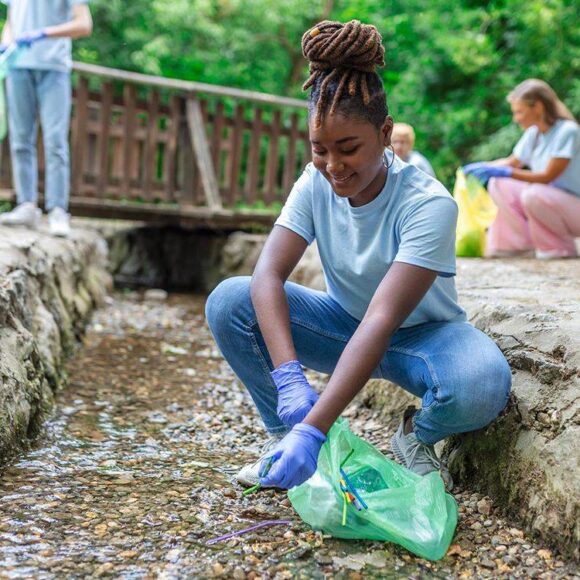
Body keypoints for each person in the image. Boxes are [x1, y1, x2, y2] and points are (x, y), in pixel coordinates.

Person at [206, 20, 511, 492]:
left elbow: (384, 318)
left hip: (423, 338)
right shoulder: (315, 182)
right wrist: (289, 379)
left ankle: (414, 437)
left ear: (385, 132)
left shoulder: (428, 205)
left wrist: (317, 427)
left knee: (482, 383)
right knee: (231, 300)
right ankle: (283, 437)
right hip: (342, 323)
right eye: (320, 150)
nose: (333, 166)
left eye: (348, 149)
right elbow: (267, 273)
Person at [0, 0, 93, 237]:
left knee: (55, 140)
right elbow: (12, 19)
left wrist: (44, 34)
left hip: (54, 67)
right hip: (18, 66)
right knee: (20, 139)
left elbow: (84, 24)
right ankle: (26, 206)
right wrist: (6, 44)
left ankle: (58, 210)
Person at [464, 79, 580, 259]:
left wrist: (509, 173)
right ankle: (517, 245)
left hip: (573, 207)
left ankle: (559, 248)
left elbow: (547, 177)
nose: (516, 118)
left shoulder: (567, 131)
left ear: (538, 107)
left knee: (533, 194)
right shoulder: (533, 134)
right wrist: (483, 167)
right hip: (550, 201)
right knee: (499, 183)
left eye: (519, 112)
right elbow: (512, 162)